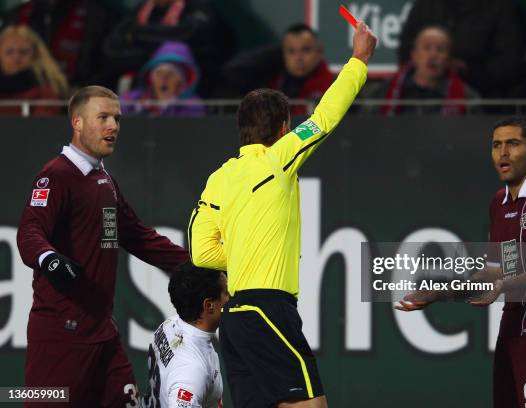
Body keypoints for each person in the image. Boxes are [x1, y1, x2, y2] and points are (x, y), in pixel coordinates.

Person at [188, 21, 377, 408]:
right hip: (269, 309)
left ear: (241, 130)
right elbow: (325, 118)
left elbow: (200, 252)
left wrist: (245, 251)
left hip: (235, 317)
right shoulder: (279, 157)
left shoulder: (218, 178)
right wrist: (359, 59)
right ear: (284, 128)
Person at [16, 85, 190, 407]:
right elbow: (29, 232)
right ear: (77, 122)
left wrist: (196, 263)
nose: (114, 126)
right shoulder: (56, 176)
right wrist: (50, 258)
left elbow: (138, 236)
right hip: (60, 333)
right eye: (103, 117)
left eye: (117, 119)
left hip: (102, 332)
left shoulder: (103, 179)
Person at [397, 117, 526, 408]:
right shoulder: (499, 202)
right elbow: (497, 269)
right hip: (512, 326)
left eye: (512, 144)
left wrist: (505, 283)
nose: (503, 153)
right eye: (496, 145)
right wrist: (439, 293)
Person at [103, 0, 234, 97]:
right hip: (139, 84)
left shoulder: (197, 7)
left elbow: (186, 37)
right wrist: (154, 51)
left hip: (189, 88)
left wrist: (137, 37)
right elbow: (112, 49)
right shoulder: (143, 9)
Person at [141, 263, 228, 408]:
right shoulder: (191, 370)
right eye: (226, 292)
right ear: (209, 306)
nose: (231, 297)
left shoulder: (168, 324)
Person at [398, 0, 524, 97]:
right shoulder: (425, 5)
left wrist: (467, 69)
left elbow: (510, 64)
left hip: (482, 102)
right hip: (418, 100)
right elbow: (405, 52)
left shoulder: (501, 7)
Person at [1, 0, 119, 87]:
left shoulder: (97, 15)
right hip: (20, 94)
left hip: (81, 98)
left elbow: (108, 66)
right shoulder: (16, 15)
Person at [223, 24, 334, 115]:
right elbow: (232, 72)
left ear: (319, 52)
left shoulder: (333, 85)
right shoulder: (270, 79)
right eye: (291, 51)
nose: (298, 58)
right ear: (282, 54)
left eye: (305, 50)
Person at [381, 26, 480, 116]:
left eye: (440, 50)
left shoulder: (467, 98)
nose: (433, 55)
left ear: (448, 59)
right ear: (414, 55)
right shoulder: (385, 92)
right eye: (426, 48)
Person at [121, 41, 205, 116]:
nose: (163, 79)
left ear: (181, 81)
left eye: (170, 74)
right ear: (151, 79)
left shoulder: (192, 106)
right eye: (159, 73)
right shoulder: (132, 100)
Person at [0, 25, 68, 116]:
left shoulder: (46, 91)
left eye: (23, 52)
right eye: (9, 52)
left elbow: (39, 126)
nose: (16, 58)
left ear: (35, 56)